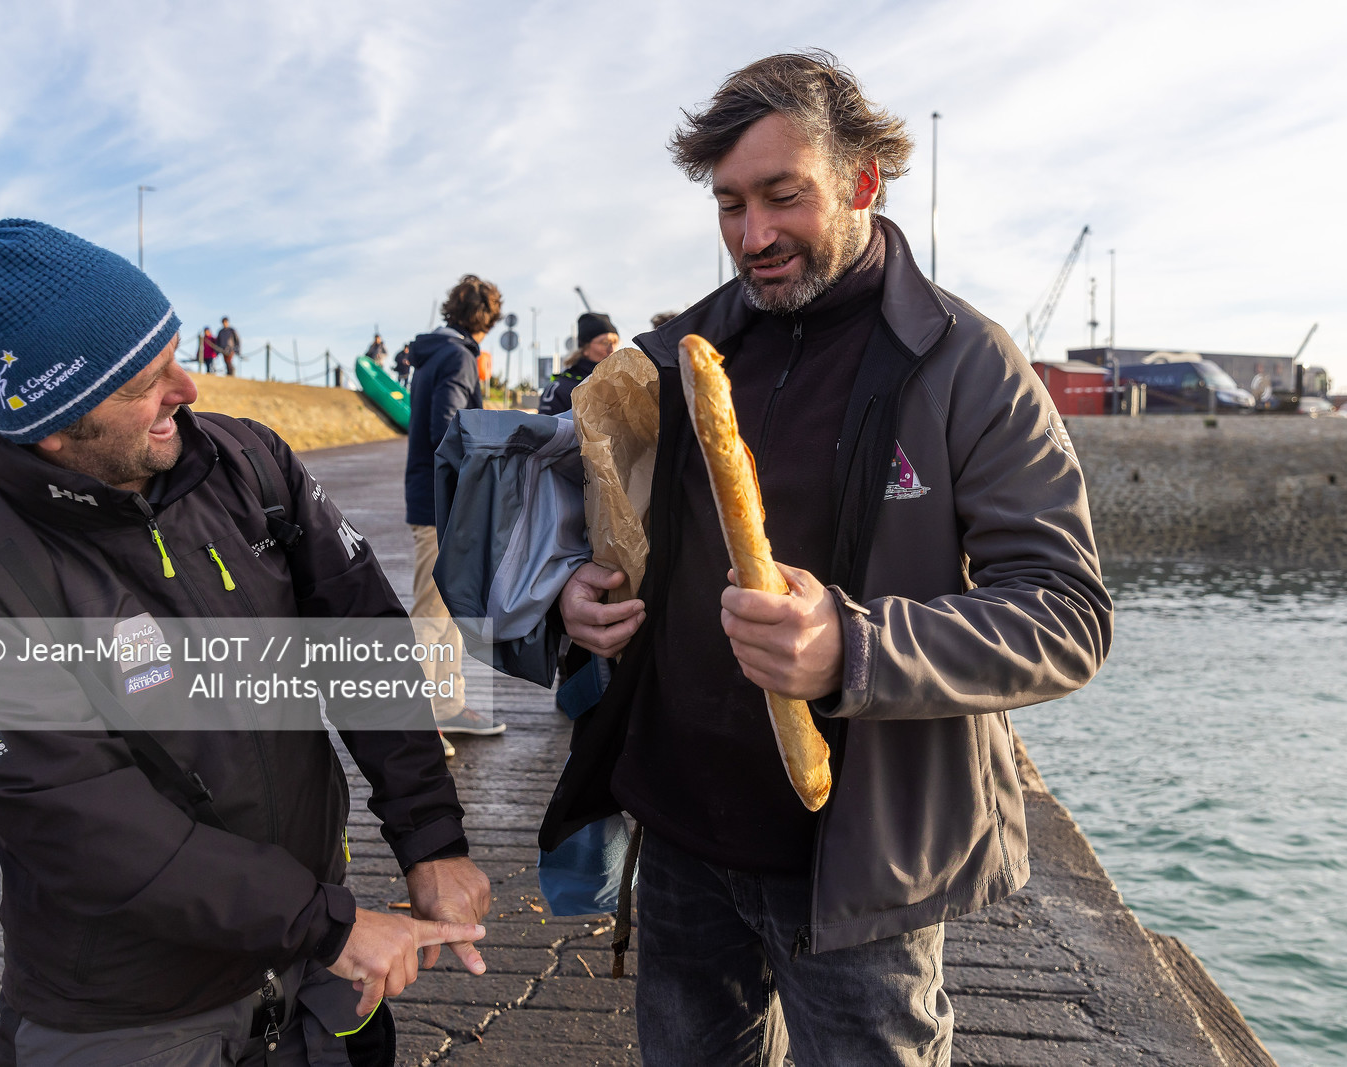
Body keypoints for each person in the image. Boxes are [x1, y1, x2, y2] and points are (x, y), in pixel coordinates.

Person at [543, 51, 1112, 1066]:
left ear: (858, 181)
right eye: (727, 205)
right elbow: (625, 538)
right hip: (677, 839)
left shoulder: (967, 363)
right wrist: (577, 598)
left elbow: (1066, 614)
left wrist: (850, 648)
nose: (752, 236)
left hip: (861, 873)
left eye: (780, 195)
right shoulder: (680, 352)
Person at [0, 219, 491, 1065]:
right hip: (132, 1018)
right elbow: (94, 830)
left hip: (316, 974)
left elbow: (360, 638)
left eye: (176, 352)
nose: (187, 385)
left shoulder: (247, 461)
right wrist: (328, 923)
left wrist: (430, 835)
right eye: (146, 381)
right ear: (51, 423)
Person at [403, 274, 507, 738]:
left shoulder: (433, 355)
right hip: (445, 504)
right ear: (487, 319)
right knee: (431, 612)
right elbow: (446, 426)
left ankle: (446, 705)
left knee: (448, 609)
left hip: (434, 498)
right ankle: (417, 721)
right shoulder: (461, 358)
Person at [537, 312, 618, 417]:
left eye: (615, 342)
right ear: (585, 349)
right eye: (605, 342)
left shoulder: (619, 383)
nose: (611, 349)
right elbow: (546, 429)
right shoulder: (561, 388)